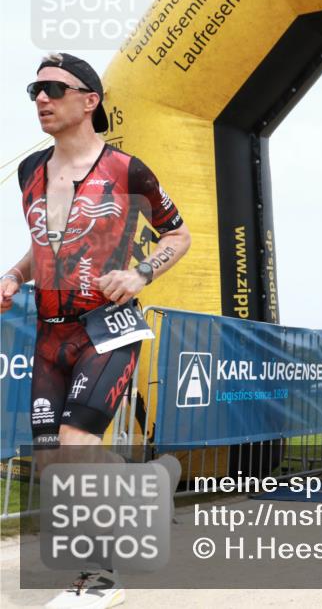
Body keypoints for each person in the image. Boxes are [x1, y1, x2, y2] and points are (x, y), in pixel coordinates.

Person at [0, 53, 191, 609]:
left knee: (74, 447)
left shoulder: (129, 170)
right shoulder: (28, 170)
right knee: (50, 462)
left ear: (90, 100)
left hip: (107, 329)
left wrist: (139, 272)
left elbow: (179, 237)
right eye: (34, 88)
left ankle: (98, 578)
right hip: (48, 333)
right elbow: (45, 248)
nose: (40, 98)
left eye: (54, 88)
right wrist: (14, 274)